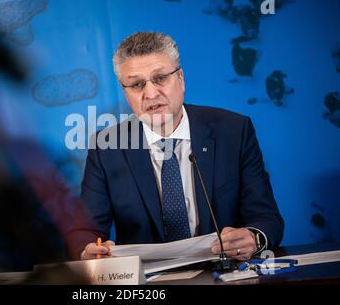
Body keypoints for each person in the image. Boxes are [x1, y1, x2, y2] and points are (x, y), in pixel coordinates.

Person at [67, 31, 284, 261]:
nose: (150, 94)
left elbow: (266, 218)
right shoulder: (106, 148)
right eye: (137, 84)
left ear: (180, 78)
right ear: (125, 92)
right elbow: (84, 232)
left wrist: (253, 237)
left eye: (160, 78)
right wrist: (87, 250)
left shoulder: (234, 131)